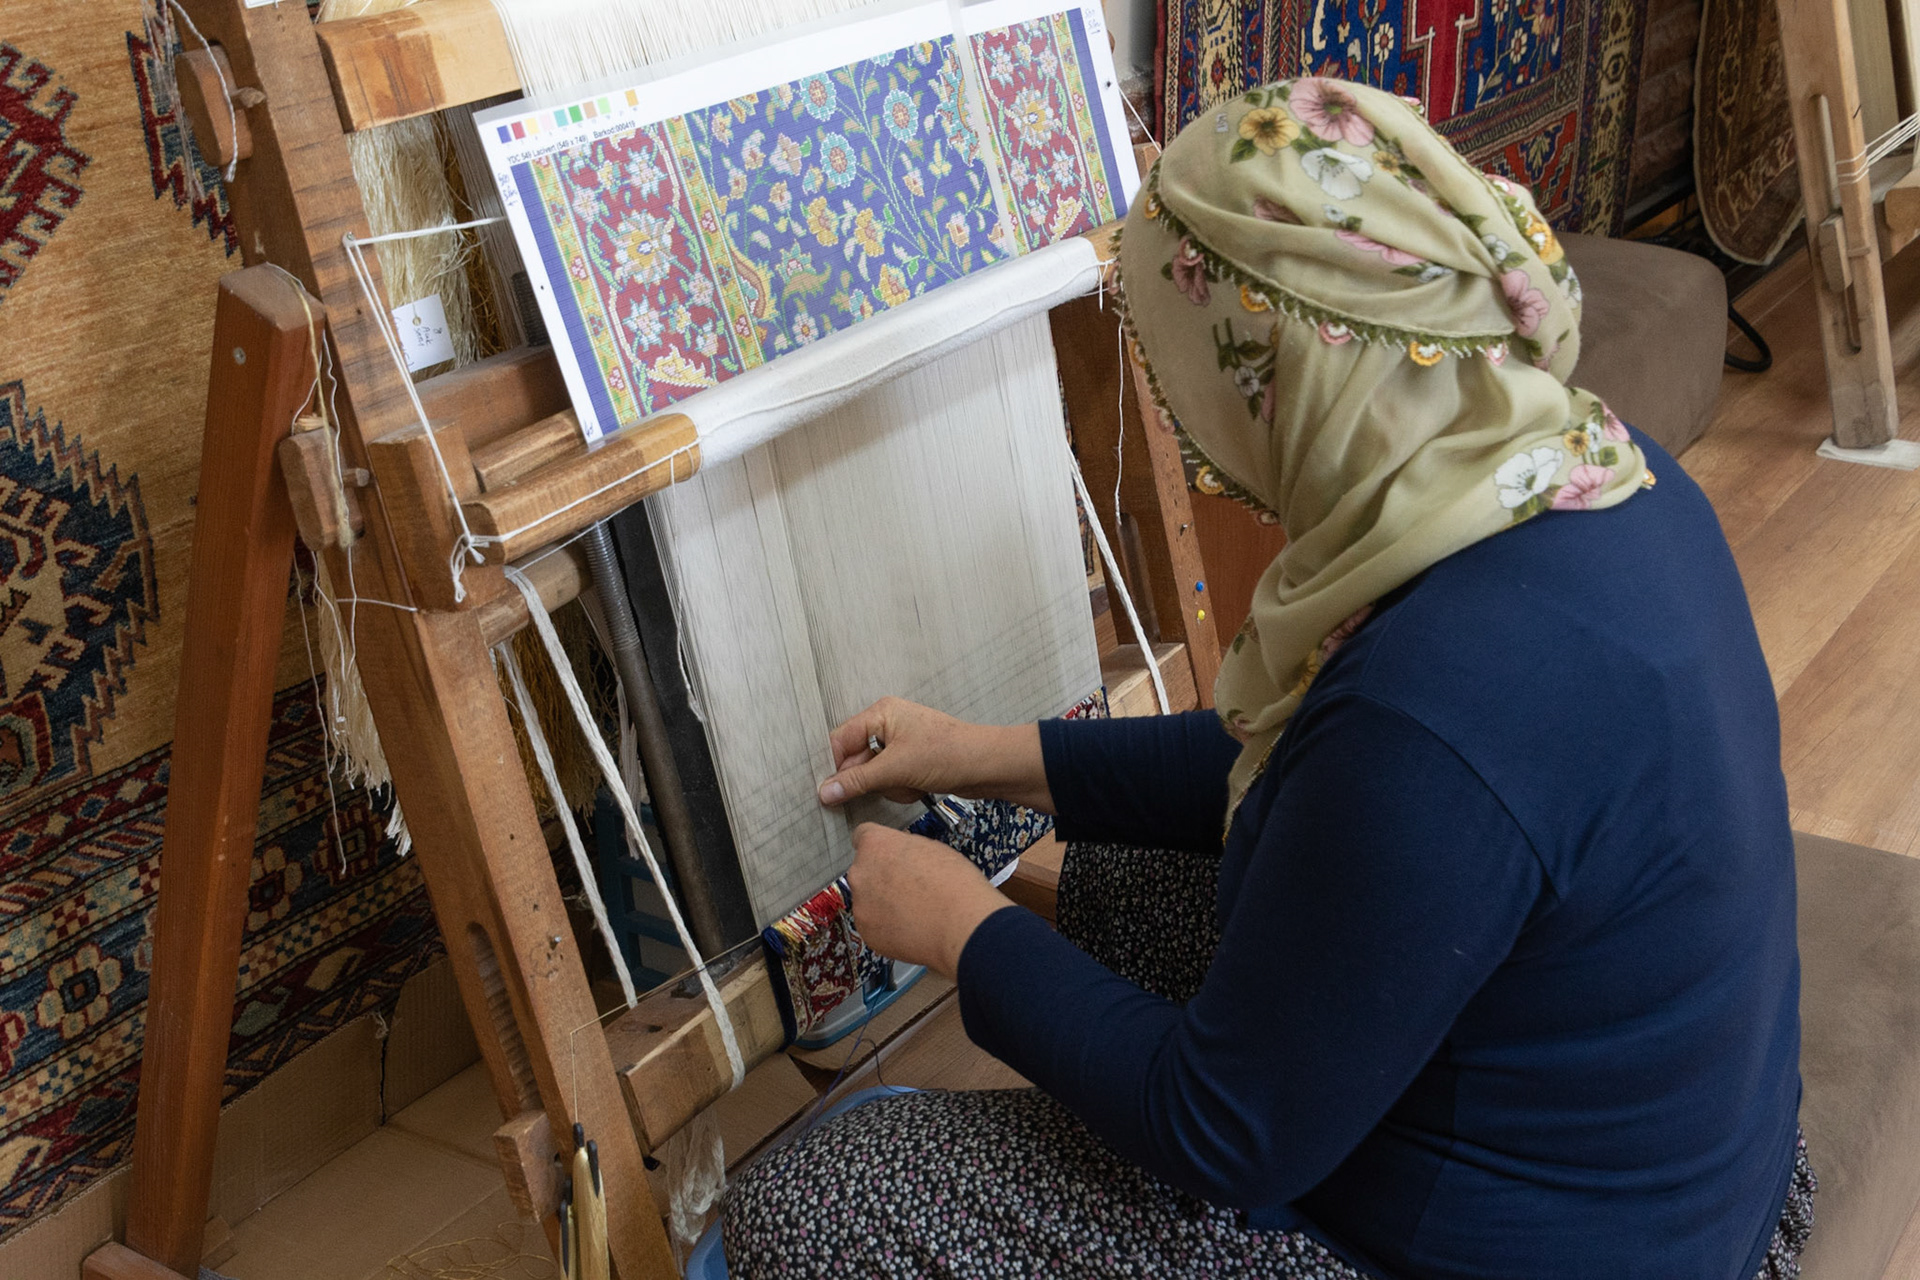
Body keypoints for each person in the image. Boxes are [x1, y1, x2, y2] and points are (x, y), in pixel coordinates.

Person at [721, 78, 1812, 1279]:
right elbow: (1325, 770)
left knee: (822, 1189)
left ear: (1274, 365)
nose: (1195, 442)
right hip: (1669, 1176)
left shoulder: (1438, 704)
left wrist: (959, 928)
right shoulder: (1583, 472)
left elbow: (1223, 1131)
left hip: (1553, 1250)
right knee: (1134, 888)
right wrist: (978, 751)